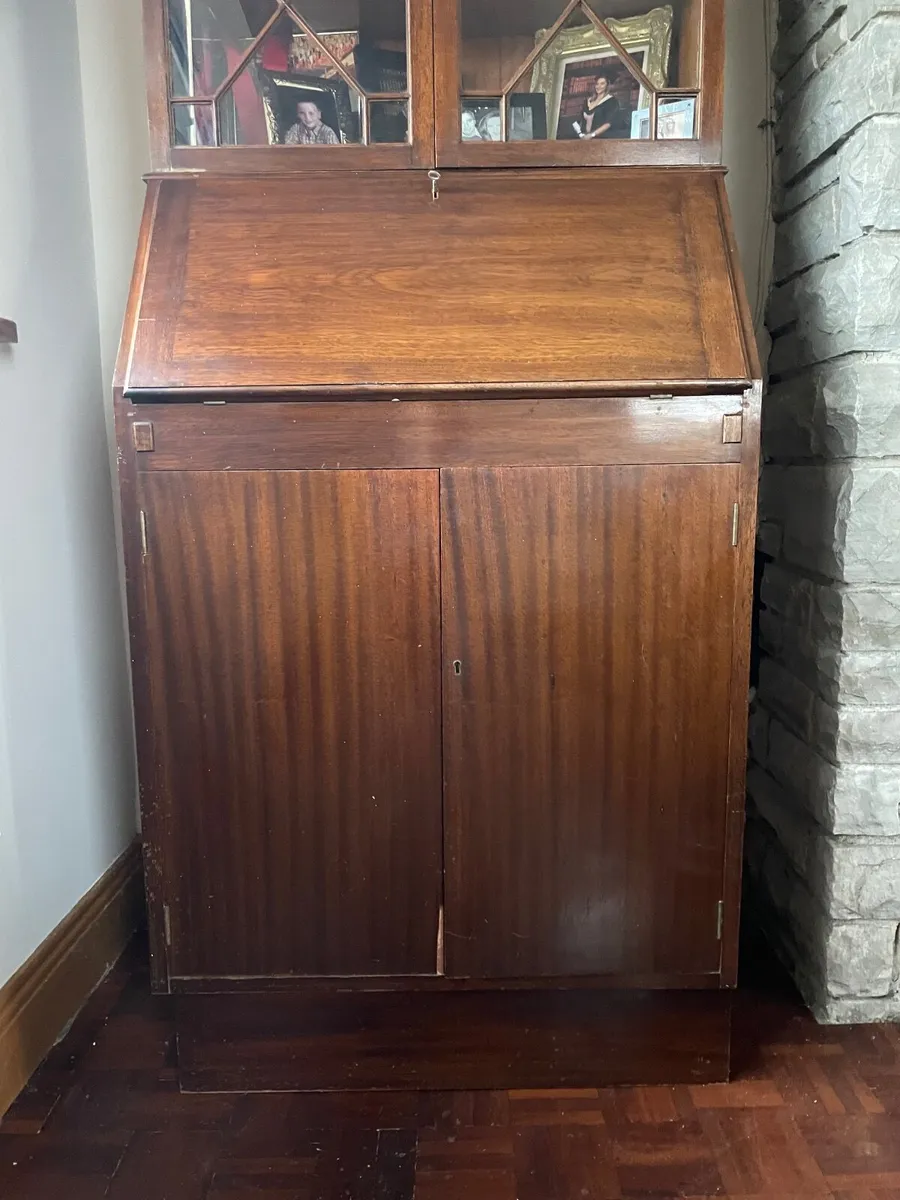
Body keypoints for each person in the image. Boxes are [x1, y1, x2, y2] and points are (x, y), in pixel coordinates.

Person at [578, 71, 622, 139]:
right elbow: (580, 121)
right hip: (584, 140)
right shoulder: (587, 101)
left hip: (600, 140)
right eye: (597, 84)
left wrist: (592, 135)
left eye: (602, 84)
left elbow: (608, 123)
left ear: (607, 85)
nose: (599, 86)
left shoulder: (611, 101)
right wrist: (580, 134)